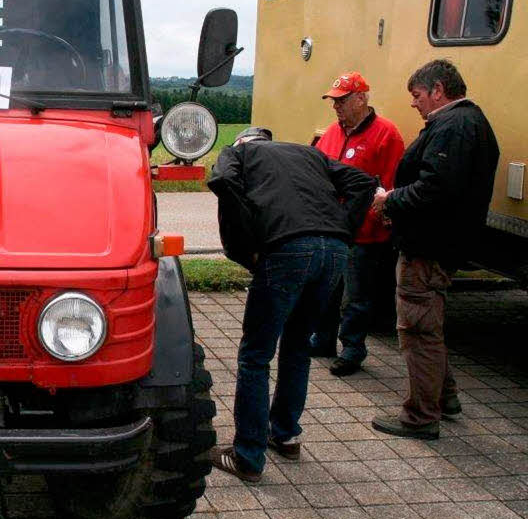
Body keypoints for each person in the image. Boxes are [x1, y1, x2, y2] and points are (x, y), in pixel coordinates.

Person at [207, 127, 376, 482]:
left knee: (255, 354)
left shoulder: (238, 153)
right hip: (335, 251)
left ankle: (248, 457)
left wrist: (249, 243)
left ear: (241, 142)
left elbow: (222, 181)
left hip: (286, 248)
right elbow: (363, 183)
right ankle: (284, 436)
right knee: (297, 347)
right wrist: (343, 227)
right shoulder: (308, 152)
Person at [370, 60, 499, 440]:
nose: (414, 103)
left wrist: (390, 199)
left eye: (417, 95)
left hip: (428, 247)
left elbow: (435, 189)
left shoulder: (453, 127)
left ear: (438, 90)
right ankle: (446, 397)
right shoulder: (467, 122)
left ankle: (421, 416)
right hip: (442, 242)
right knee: (430, 322)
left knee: (417, 329)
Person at [310, 72, 405, 376]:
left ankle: (352, 348)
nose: (335, 106)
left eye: (342, 100)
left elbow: (391, 186)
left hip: (364, 234)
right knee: (326, 290)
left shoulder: (386, 134)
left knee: (356, 296)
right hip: (332, 228)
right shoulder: (332, 134)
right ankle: (323, 340)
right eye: (333, 100)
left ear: (361, 98)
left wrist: (380, 220)